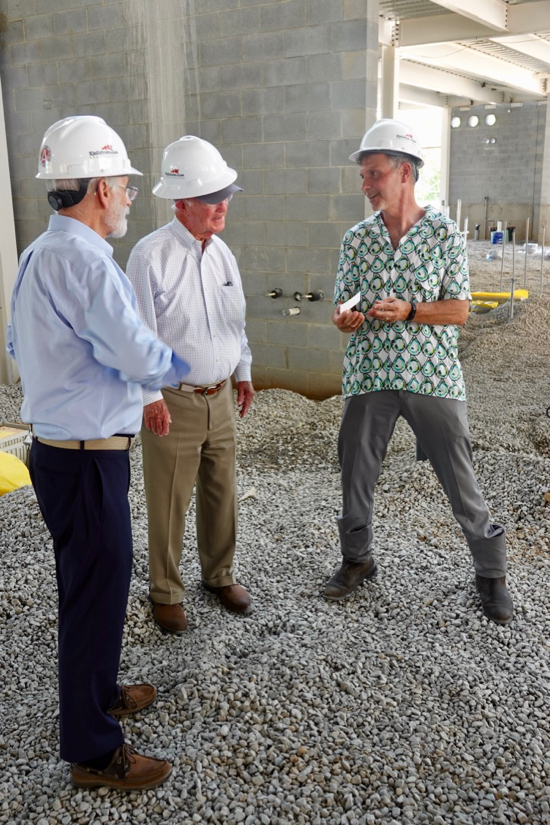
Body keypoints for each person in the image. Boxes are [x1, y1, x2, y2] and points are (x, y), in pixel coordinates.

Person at [7, 116, 193, 790]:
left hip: (65, 452)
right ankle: (92, 750)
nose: (129, 198)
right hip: (84, 457)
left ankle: (99, 690)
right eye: (124, 185)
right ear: (98, 189)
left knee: (93, 587)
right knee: (94, 591)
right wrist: (182, 359)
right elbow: (136, 350)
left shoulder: (37, 254)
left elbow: (14, 347)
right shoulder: (87, 262)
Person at [324, 118, 513, 625]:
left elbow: (458, 310)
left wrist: (410, 310)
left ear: (405, 173)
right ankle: (357, 559)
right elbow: (344, 305)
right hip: (369, 375)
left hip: (432, 376)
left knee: (459, 475)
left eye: (374, 174)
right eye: (363, 176)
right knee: (356, 473)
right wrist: (346, 317)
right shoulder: (357, 240)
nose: (366, 186)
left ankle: (490, 573)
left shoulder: (444, 235)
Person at [126, 136, 254, 635]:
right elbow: (140, 333)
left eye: (225, 195)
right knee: (169, 499)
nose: (222, 206)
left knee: (221, 490)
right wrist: (150, 396)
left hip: (220, 395)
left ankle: (219, 575)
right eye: (211, 198)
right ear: (181, 202)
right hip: (174, 400)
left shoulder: (222, 253)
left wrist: (242, 373)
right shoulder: (149, 255)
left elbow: (235, 320)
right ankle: (166, 591)